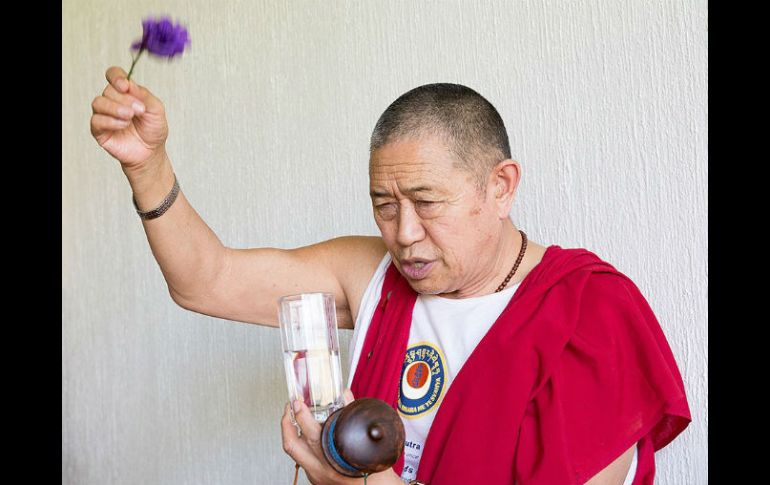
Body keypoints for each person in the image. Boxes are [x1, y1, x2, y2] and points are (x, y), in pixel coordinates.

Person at [90, 66, 691, 485]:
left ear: (500, 186)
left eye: (428, 202)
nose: (403, 233)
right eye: (384, 204)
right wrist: (148, 166)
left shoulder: (590, 312)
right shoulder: (369, 273)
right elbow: (208, 280)